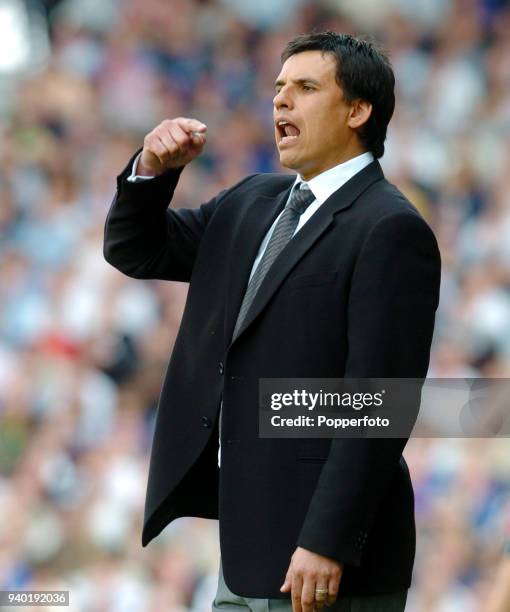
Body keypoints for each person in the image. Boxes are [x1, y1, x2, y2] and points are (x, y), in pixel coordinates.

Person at [103, 32, 441, 612]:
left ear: (358, 111)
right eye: (279, 88)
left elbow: (381, 403)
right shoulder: (252, 202)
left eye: (306, 88)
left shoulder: (390, 229)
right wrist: (151, 171)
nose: (281, 101)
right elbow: (138, 250)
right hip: (246, 548)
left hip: (328, 564)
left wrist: (327, 541)